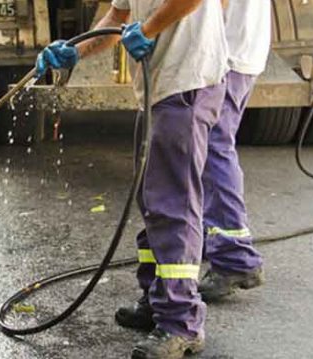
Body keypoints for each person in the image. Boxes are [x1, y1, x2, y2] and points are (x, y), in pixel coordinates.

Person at [36, 1, 228, 358]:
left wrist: (151, 28)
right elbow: (116, 18)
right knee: (153, 201)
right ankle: (159, 301)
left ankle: (181, 322)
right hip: (159, 90)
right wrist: (73, 51)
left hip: (187, 84)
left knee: (175, 206)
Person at [197, 0, 269, 302]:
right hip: (238, 49)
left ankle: (235, 257)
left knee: (214, 147)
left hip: (227, 54)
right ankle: (205, 237)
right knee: (205, 147)